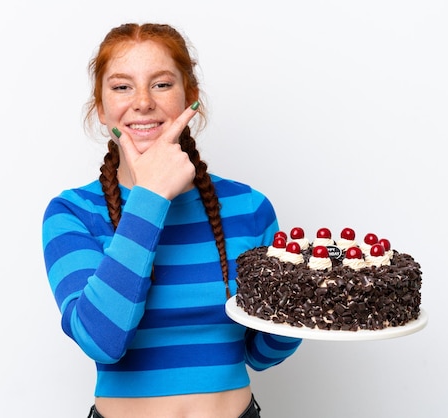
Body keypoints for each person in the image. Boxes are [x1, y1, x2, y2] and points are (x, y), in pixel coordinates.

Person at [42, 22, 302, 418]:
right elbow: (101, 340)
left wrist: (303, 302)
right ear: (100, 108)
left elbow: (261, 354)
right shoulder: (72, 213)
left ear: (190, 98)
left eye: (161, 84)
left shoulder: (249, 208)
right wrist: (151, 199)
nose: (143, 102)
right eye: (122, 86)